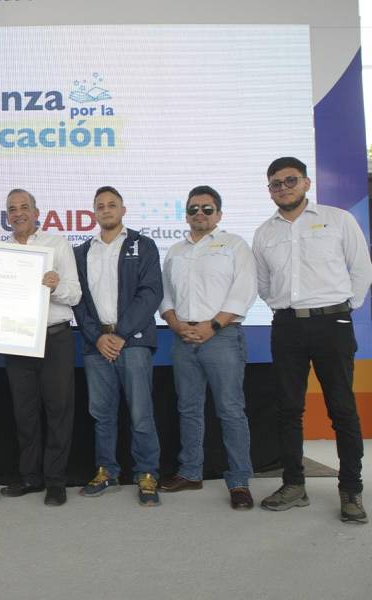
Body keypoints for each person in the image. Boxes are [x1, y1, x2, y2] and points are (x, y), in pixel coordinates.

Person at [253, 156, 372, 524]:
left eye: (290, 180)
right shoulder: (265, 232)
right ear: (270, 190)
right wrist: (284, 309)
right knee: (288, 409)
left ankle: (350, 490)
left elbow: (361, 269)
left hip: (331, 323)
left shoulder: (338, 219)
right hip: (286, 326)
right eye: (276, 183)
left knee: (342, 409)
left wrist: (342, 308)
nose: (283, 188)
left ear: (305, 183)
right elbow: (262, 284)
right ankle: (294, 485)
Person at [159, 186, 257, 509]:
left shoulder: (234, 245)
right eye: (193, 209)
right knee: (188, 408)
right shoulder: (175, 250)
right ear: (185, 214)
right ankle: (190, 472)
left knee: (230, 410)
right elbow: (167, 296)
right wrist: (175, 325)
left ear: (219, 214)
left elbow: (244, 290)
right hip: (183, 337)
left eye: (206, 209)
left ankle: (240, 481)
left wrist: (212, 326)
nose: (199, 214)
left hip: (222, 336)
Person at [73, 186, 163, 507]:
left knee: (140, 413)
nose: (107, 210)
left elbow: (151, 293)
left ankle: (147, 473)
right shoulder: (81, 253)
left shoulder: (144, 245)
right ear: (94, 213)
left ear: (123, 210)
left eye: (113, 205)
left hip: (133, 342)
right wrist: (98, 336)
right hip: (96, 345)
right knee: (102, 414)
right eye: (101, 206)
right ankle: (107, 470)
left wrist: (121, 334)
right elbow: (78, 302)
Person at [0, 189, 81, 507]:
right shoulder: (0, 253)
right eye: (12, 209)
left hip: (55, 337)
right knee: (25, 412)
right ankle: (31, 476)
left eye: (24, 207)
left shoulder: (56, 245)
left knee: (59, 410)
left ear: (37, 213)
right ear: (7, 217)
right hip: (17, 339)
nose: (18, 213)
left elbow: (74, 294)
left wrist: (54, 285)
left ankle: (56, 481)